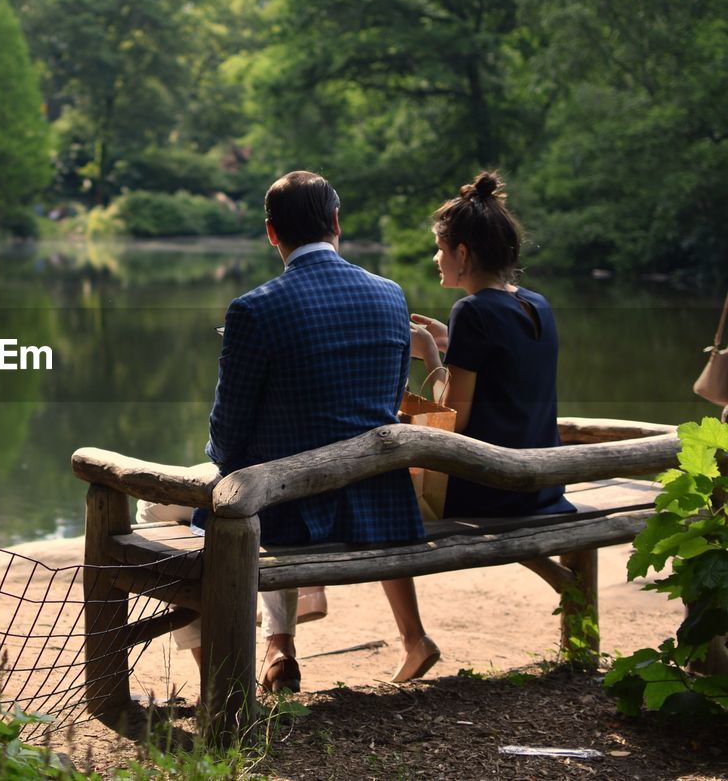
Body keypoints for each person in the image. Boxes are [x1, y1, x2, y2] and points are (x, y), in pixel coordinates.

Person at [190, 170, 430, 691]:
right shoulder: (392, 296)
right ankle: (278, 647)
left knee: (174, 506)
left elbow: (227, 437)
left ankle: (223, 681)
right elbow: (386, 405)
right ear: (337, 223)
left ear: (272, 233)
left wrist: (221, 451)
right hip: (374, 504)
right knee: (262, 475)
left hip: (293, 515)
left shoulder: (254, 309)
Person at [386, 171, 577, 674]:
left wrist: (429, 356)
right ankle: (562, 581)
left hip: (493, 485)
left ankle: (415, 639)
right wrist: (453, 342)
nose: (436, 258)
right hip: (543, 482)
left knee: (379, 494)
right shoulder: (535, 303)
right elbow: (506, 364)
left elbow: (456, 420)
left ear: (463, 254)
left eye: (440, 248)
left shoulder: (472, 311)